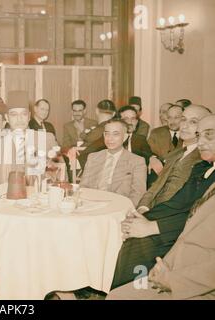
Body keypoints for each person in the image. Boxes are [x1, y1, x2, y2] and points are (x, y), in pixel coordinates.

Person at [109, 114, 215, 293]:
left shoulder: (198, 162)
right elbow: (173, 202)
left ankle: (134, 290)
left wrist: (152, 226)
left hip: (188, 244)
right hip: (172, 224)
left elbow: (191, 215)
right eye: (199, 136)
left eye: (209, 135)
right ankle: (128, 289)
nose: (202, 142)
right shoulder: (199, 166)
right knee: (127, 232)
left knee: (139, 242)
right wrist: (142, 216)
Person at [137, 105, 212, 211]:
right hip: (152, 209)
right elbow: (157, 185)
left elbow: (186, 203)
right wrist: (143, 207)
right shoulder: (176, 153)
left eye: (193, 122)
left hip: (169, 216)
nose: (184, 126)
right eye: (183, 119)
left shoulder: (204, 160)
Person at [0, 91, 59, 187]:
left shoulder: (46, 139)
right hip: (6, 198)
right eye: (14, 115)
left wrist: (50, 174)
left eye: (24, 114)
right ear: (7, 117)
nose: (19, 119)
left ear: (29, 116)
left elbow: (59, 174)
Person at [80, 119, 147, 206]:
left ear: (125, 137)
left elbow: (138, 193)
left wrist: (126, 210)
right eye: (107, 134)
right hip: (91, 204)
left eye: (116, 134)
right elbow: (83, 187)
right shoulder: (93, 157)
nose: (110, 138)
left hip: (119, 207)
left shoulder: (137, 161)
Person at [77, 106, 154, 171]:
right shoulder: (109, 138)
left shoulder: (139, 139)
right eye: (126, 119)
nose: (130, 122)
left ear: (137, 122)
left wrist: (153, 159)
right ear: (119, 121)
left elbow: (149, 155)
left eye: (133, 119)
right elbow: (84, 155)